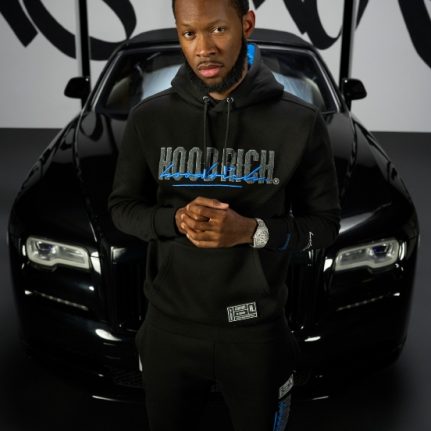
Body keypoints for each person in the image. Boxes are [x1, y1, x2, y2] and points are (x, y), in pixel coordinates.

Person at [107, 0, 341, 429]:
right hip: (168, 329)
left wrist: (252, 232)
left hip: (255, 331)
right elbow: (122, 210)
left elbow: (324, 227)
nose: (203, 48)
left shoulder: (300, 122)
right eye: (189, 33)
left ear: (246, 24)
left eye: (218, 29)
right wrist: (174, 221)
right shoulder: (148, 119)